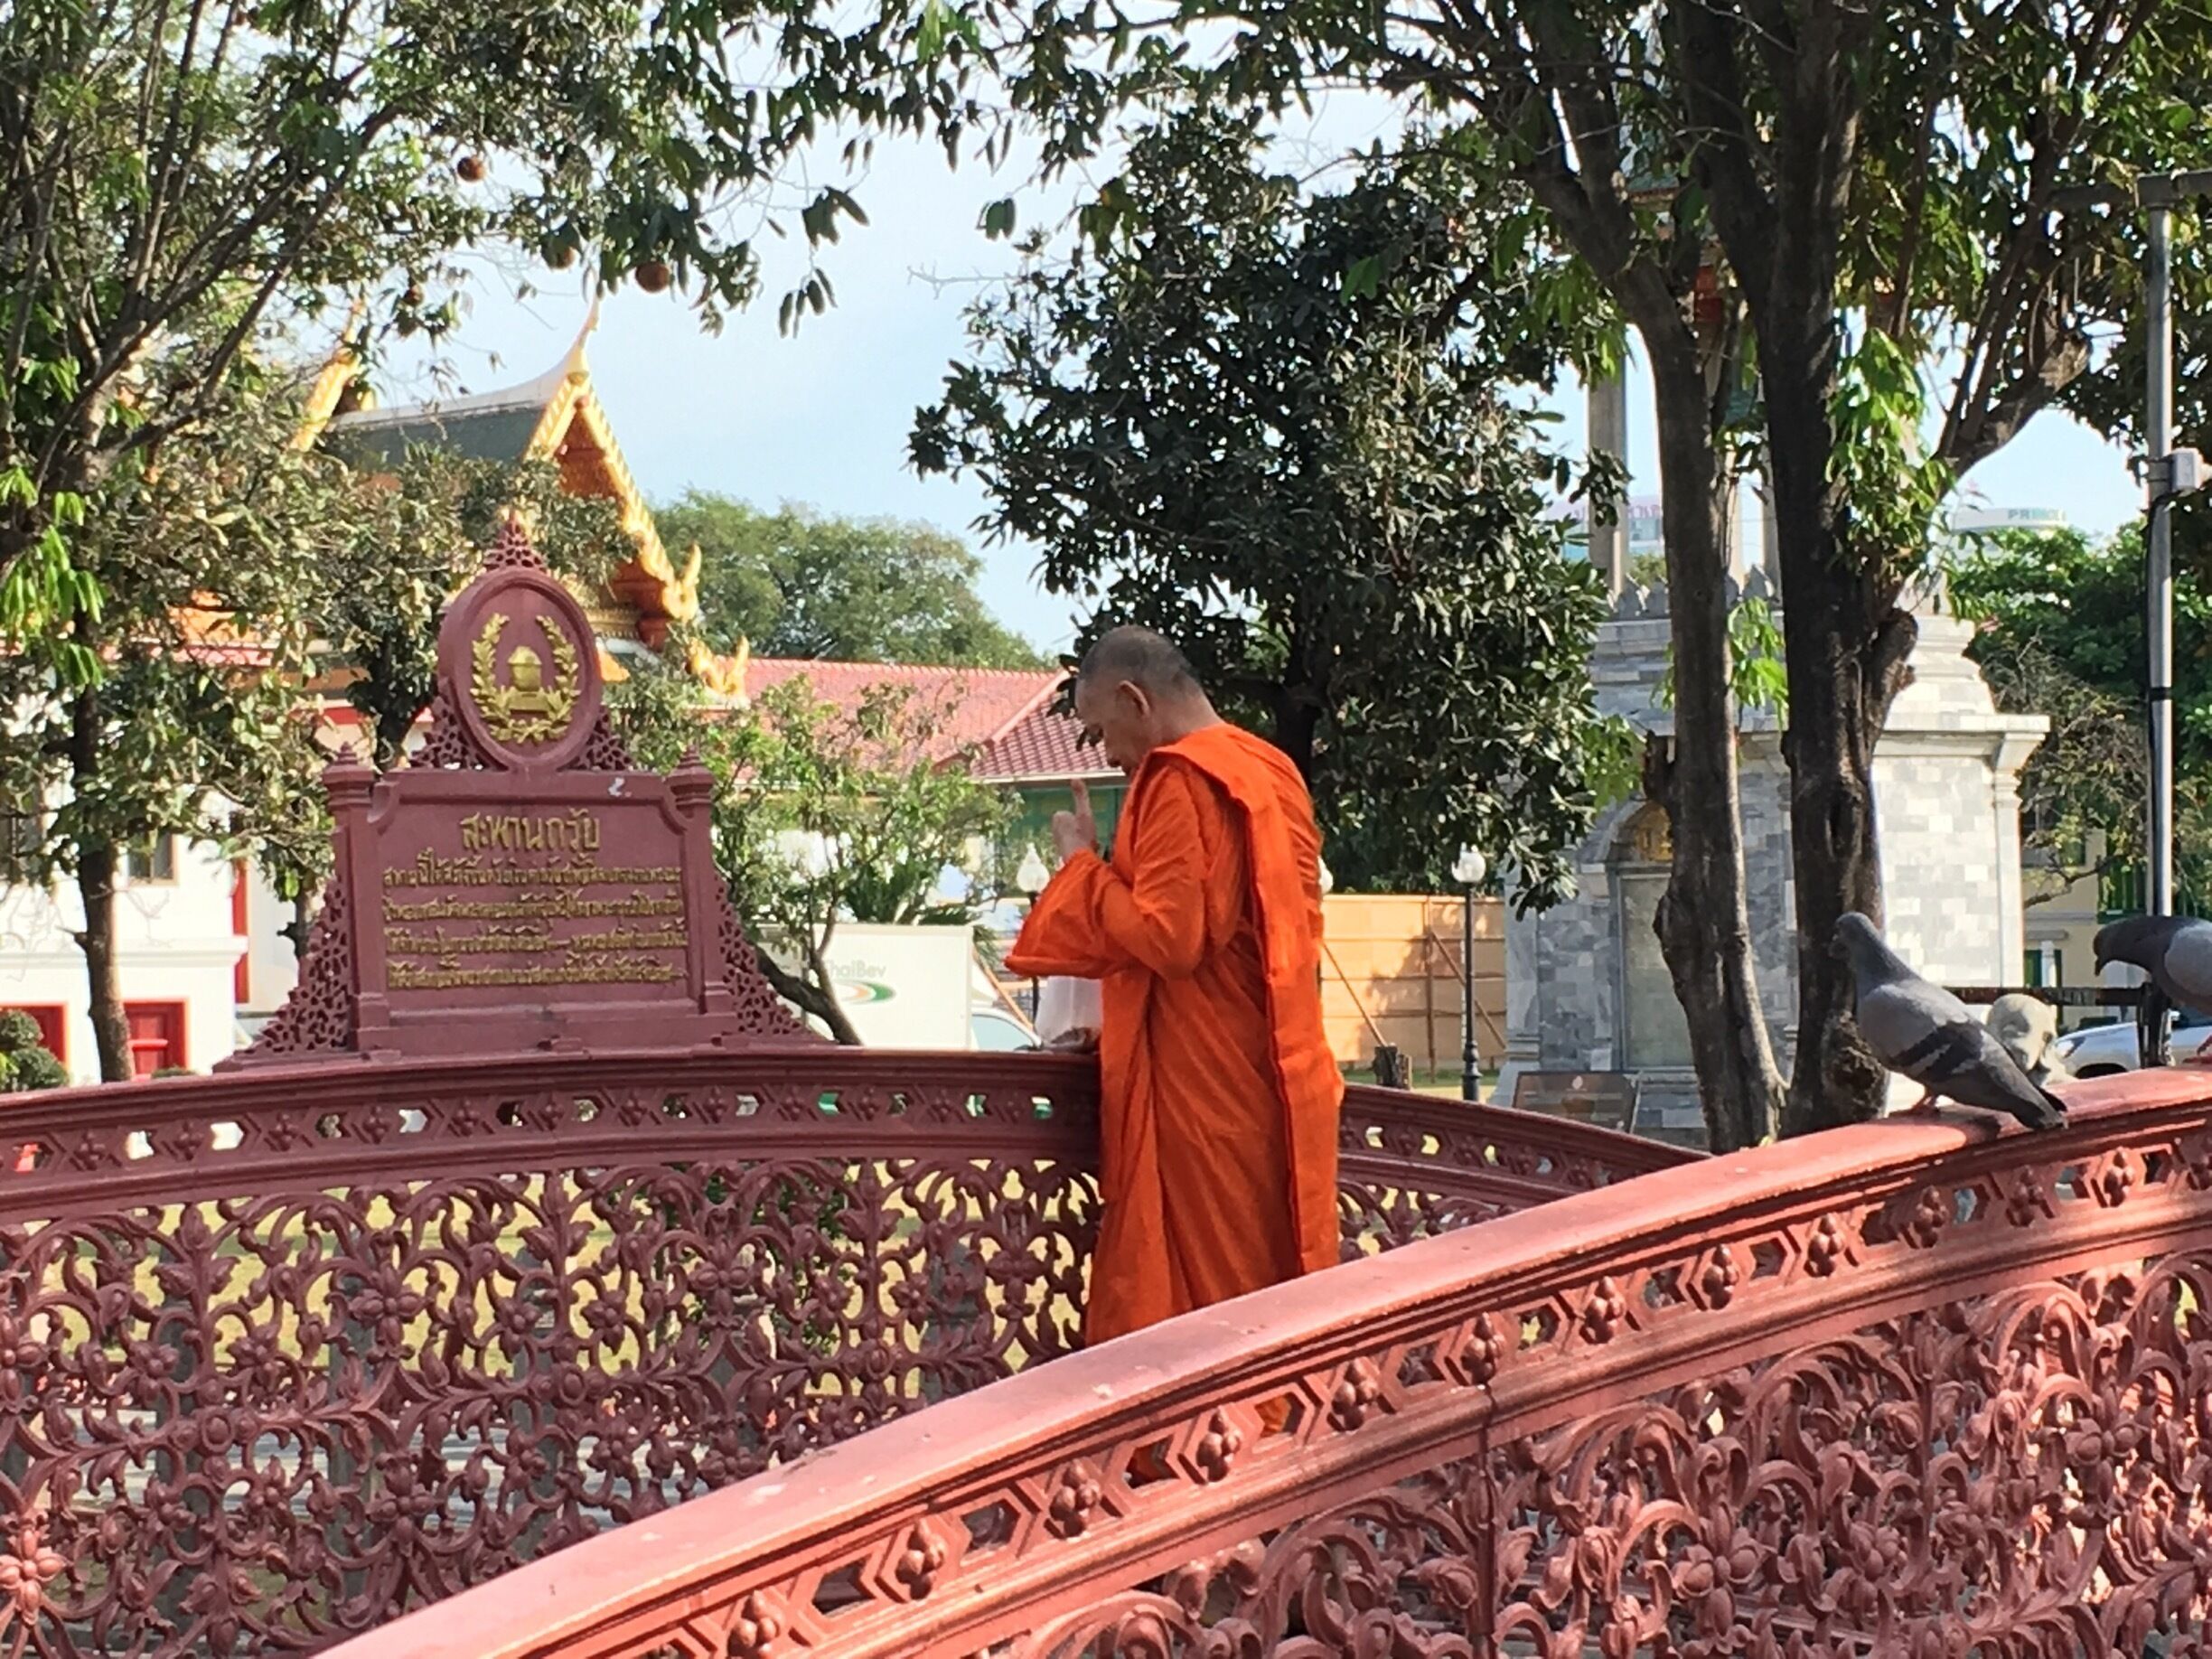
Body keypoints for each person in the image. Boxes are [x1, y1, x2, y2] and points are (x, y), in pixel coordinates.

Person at [1008, 625, 1343, 1360]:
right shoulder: (1271, 768)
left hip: (1206, 1098)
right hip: (1281, 1077)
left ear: (1136, 700)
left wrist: (1079, 867)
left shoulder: (1179, 777)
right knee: (1274, 1288)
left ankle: (1211, 1452)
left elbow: (1170, 938)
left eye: (1100, 731)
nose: (1106, 754)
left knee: (1205, 1325)